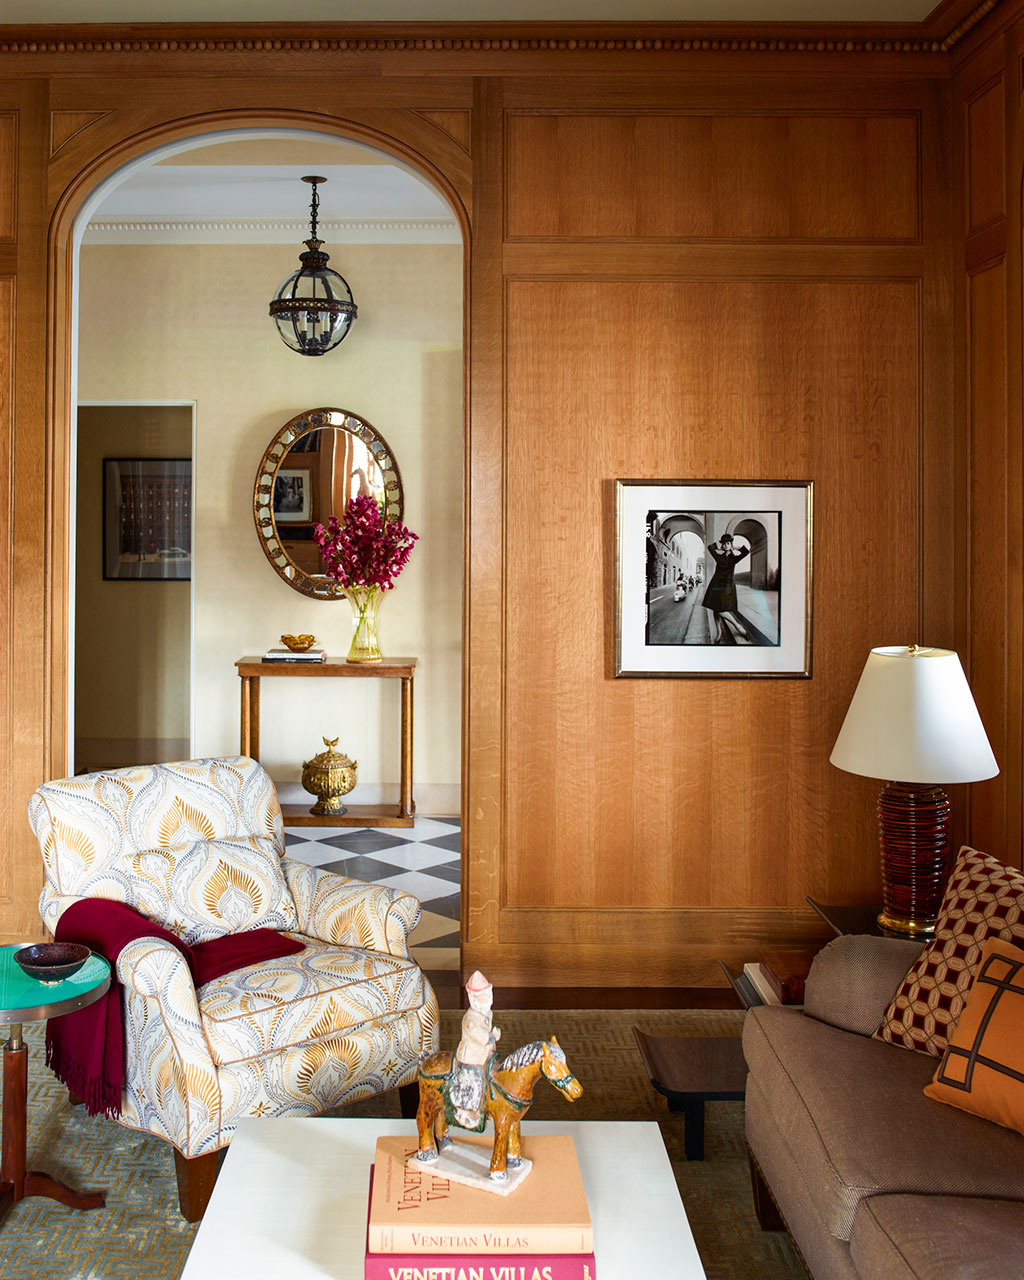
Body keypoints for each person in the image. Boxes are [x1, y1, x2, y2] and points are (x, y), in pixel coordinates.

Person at [450, 970, 501, 1129]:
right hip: (471, 1058)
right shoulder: (470, 1020)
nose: (489, 999)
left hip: (486, 1054)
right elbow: (481, 1036)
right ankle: (465, 1111)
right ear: (473, 999)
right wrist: (493, 1036)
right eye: (484, 996)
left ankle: (486, 1106)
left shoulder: (487, 1013)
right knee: (474, 1081)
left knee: (492, 1077)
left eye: (489, 994)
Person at [701, 533, 751, 643]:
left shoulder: (734, 558)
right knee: (715, 608)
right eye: (724, 543)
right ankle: (719, 633)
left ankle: (738, 627)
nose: (726, 545)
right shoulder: (719, 556)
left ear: (731, 544)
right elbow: (710, 548)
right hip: (716, 585)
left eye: (728, 543)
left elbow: (746, 552)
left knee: (720, 609)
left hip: (727, 587)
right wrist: (720, 548)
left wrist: (735, 547)